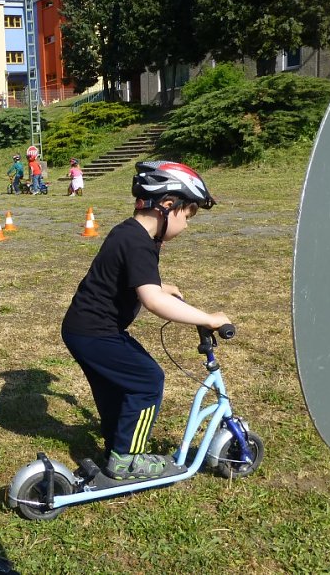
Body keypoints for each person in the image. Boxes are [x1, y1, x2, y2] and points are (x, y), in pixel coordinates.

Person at [61, 161, 231, 480]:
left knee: (116, 390)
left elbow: (130, 279)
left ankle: (116, 447)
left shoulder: (132, 233)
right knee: (147, 380)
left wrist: (159, 285)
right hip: (97, 332)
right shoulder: (138, 241)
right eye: (189, 215)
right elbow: (152, 301)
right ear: (168, 206)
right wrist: (208, 318)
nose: (188, 225)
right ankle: (127, 458)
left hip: (83, 329)